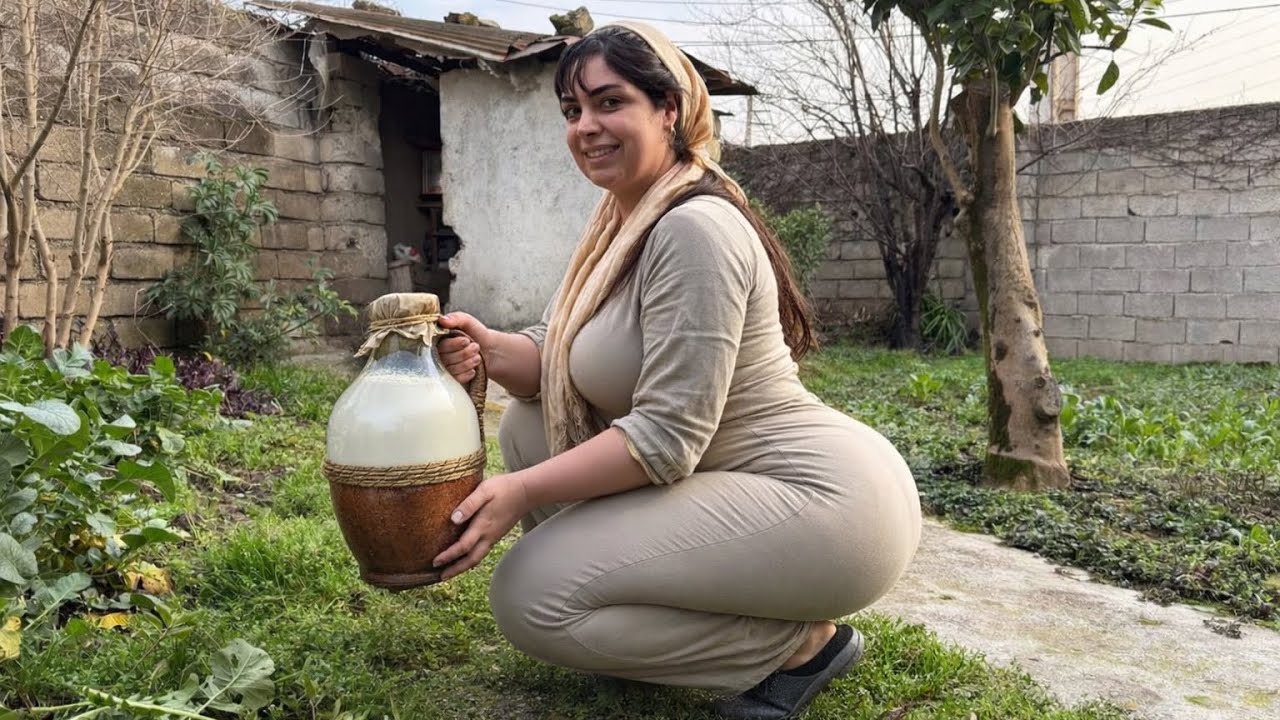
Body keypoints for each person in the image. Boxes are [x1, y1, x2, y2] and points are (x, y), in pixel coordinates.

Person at [432, 21, 922, 720]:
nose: (586, 127)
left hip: (827, 504)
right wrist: (487, 346)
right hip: (732, 480)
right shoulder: (621, 225)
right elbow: (559, 356)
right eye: (572, 111)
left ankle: (799, 647)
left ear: (670, 109)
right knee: (532, 419)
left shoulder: (695, 228)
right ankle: (623, 614)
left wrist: (514, 493)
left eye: (610, 102)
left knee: (529, 596)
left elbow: (664, 437)